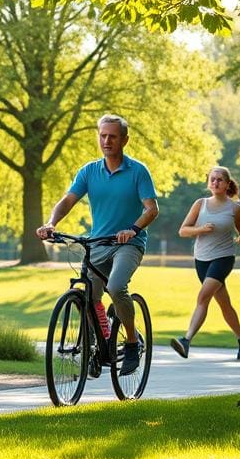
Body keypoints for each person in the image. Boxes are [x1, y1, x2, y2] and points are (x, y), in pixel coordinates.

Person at [36, 114, 159, 375]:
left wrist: (133, 229)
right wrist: (51, 224)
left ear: (124, 140)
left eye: (112, 136)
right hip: (98, 244)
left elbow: (152, 209)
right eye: (103, 135)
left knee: (115, 286)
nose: (106, 140)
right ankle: (95, 346)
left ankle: (132, 342)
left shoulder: (138, 171)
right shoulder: (89, 171)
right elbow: (68, 200)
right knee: (89, 296)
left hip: (129, 243)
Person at [171, 166, 240, 361]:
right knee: (224, 304)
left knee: (203, 297)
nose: (215, 182)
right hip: (201, 259)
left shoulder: (235, 208)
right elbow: (183, 231)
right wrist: (200, 230)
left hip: (223, 258)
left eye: (220, 180)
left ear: (227, 184)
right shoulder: (200, 204)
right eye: (212, 179)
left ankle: (186, 340)